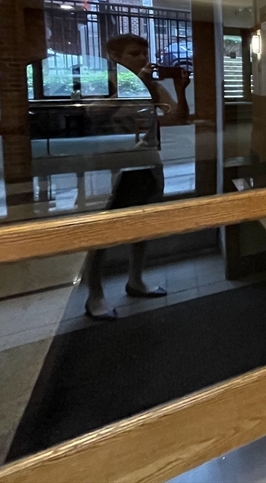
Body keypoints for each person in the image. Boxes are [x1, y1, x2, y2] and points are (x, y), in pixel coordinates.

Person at [83, 33, 191, 320]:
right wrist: (134, 85)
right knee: (102, 231)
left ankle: (136, 279)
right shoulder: (104, 82)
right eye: (134, 54)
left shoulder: (152, 85)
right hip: (112, 166)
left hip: (146, 162)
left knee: (142, 224)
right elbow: (93, 113)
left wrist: (180, 90)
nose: (143, 58)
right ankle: (95, 294)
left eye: (144, 53)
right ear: (114, 57)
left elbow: (176, 117)